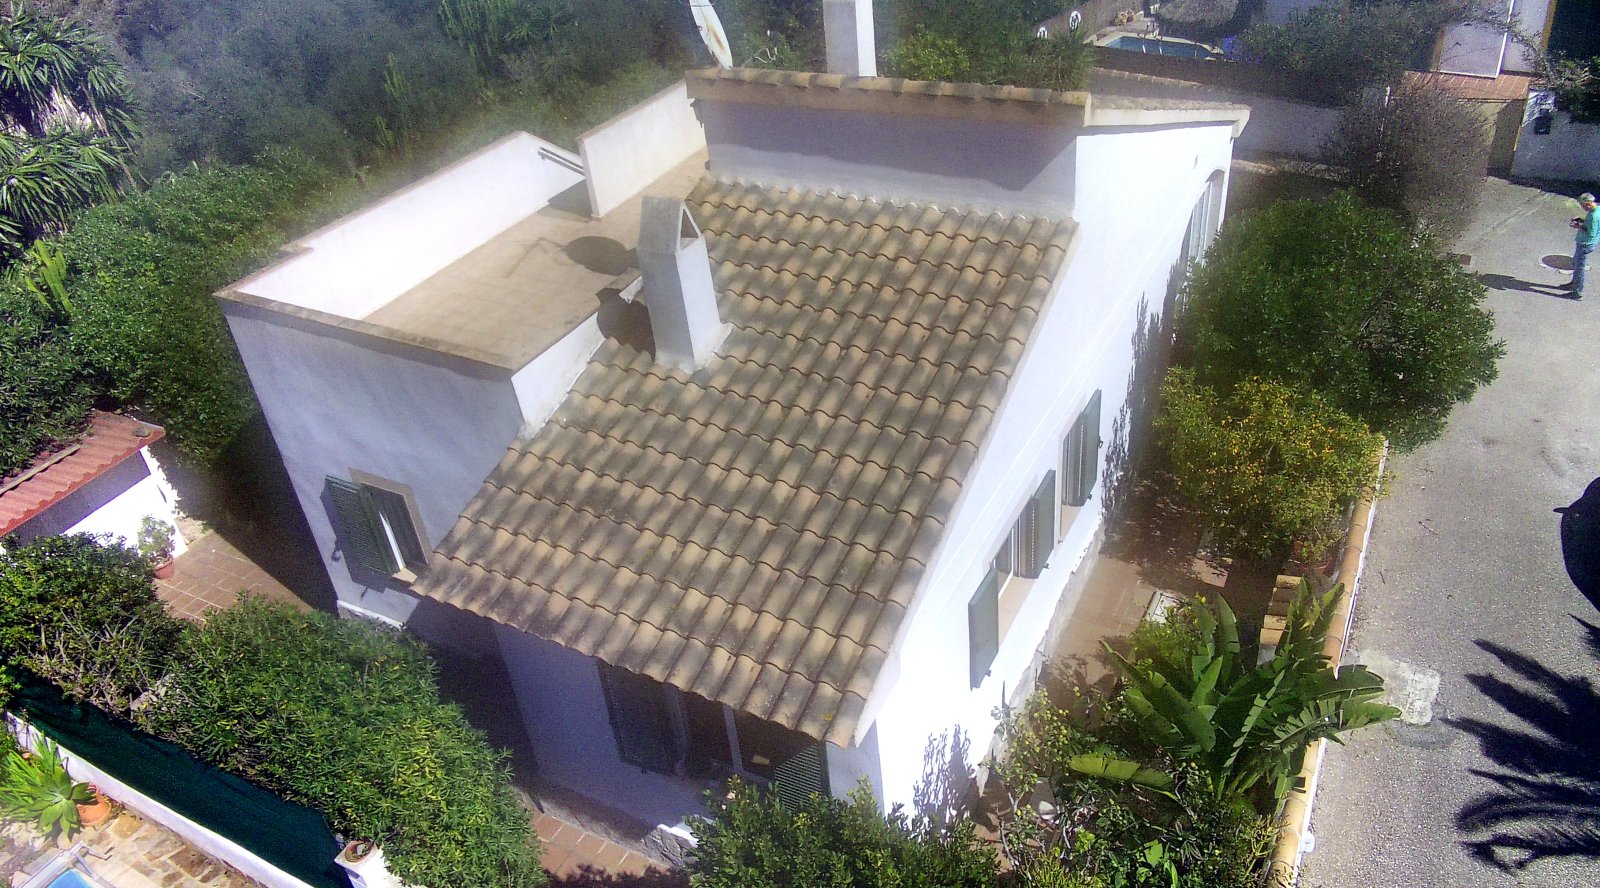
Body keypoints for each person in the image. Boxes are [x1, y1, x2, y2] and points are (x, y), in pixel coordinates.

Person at [1566, 192, 1600, 298]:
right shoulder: (1597, 210)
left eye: (1583, 206)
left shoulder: (1593, 215)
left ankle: (1577, 292)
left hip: (1585, 244)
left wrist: (1578, 225)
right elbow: (1590, 224)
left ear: (1588, 204)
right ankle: (1574, 284)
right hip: (1586, 243)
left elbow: (1591, 232)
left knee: (1579, 268)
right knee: (1576, 263)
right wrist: (1582, 221)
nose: (1583, 208)